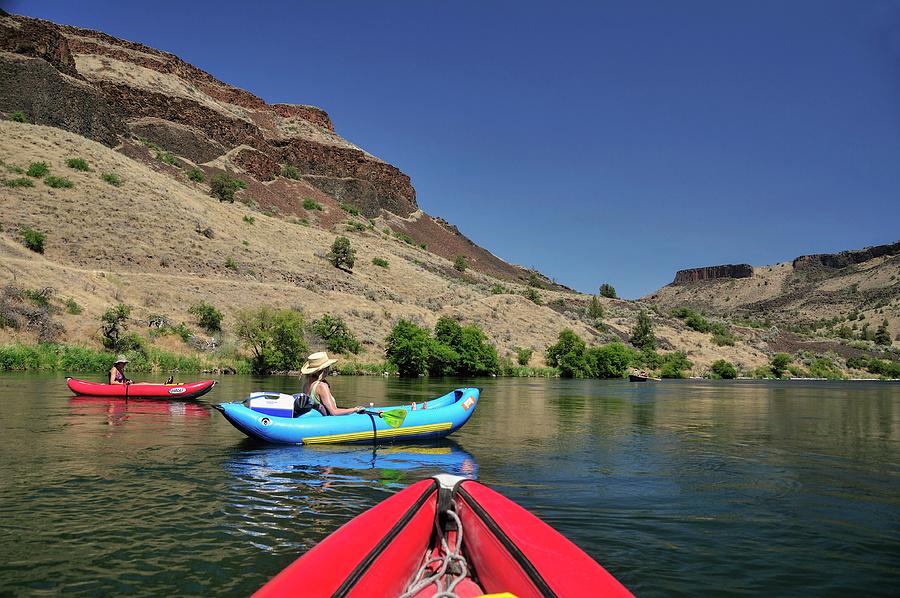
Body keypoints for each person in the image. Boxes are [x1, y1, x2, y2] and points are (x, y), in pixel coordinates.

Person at [300, 351, 363, 416]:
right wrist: (355, 409)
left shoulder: (306, 384)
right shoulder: (322, 386)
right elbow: (334, 412)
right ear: (324, 369)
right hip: (328, 419)